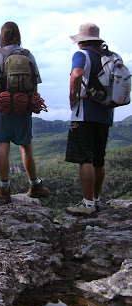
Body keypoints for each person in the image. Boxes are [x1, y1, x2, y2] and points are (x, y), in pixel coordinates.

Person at [0, 21, 49, 203]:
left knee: (3, 145)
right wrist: (23, 103)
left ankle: (4, 190)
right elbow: (35, 88)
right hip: (23, 110)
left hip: (2, 109)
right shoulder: (29, 56)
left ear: (1, 36)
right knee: (26, 147)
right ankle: (35, 186)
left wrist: (2, 102)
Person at [65, 23, 114, 217]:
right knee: (98, 159)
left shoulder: (82, 55)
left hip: (85, 114)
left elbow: (77, 74)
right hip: (106, 113)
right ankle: (96, 199)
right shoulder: (110, 56)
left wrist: (73, 97)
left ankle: (87, 204)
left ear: (81, 42)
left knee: (85, 159)